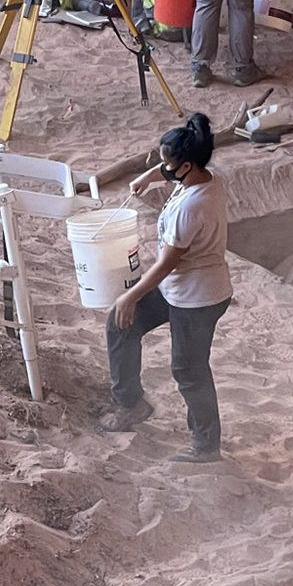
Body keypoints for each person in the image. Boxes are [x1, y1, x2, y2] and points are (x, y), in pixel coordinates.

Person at [101, 112, 234, 463]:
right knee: (120, 323)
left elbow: (166, 264)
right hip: (181, 287)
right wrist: (148, 175)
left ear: (186, 166)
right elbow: (172, 170)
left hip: (198, 298)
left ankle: (206, 446)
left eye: (167, 163)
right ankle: (130, 404)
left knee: (189, 370)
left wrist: (132, 294)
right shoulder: (206, 177)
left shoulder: (191, 208)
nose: (164, 167)